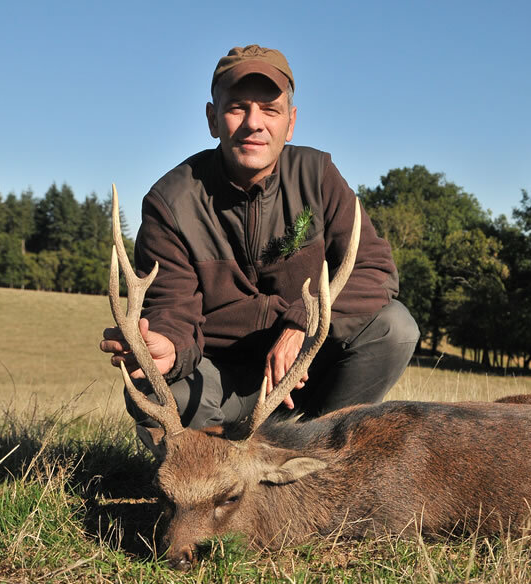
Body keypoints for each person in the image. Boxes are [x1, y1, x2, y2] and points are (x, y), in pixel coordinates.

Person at [100, 45, 419, 451]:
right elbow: (173, 310)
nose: (255, 124)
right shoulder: (171, 201)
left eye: (270, 110)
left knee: (395, 328)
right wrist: (166, 346)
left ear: (291, 122)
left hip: (304, 374)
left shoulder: (318, 176)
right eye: (237, 108)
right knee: (152, 388)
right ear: (213, 119)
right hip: (221, 382)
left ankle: (321, 457)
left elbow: (374, 270)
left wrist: (302, 321)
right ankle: (212, 475)